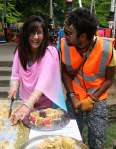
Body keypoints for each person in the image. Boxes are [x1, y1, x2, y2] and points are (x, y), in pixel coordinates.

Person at [60, 8, 116, 149]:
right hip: (74, 98)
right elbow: (65, 73)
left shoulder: (107, 50)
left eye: (68, 33)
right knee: (70, 139)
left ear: (83, 36)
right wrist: (72, 96)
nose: (64, 35)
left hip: (98, 99)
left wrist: (92, 99)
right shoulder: (64, 45)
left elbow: (109, 80)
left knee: (97, 141)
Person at [8, 15, 66, 125]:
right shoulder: (20, 51)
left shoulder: (50, 53)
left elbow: (43, 84)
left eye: (39, 33)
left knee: (42, 128)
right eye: (32, 33)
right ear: (26, 35)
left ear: (44, 35)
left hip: (45, 105)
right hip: (25, 100)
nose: (35, 37)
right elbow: (15, 75)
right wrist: (14, 86)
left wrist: (28, 105)